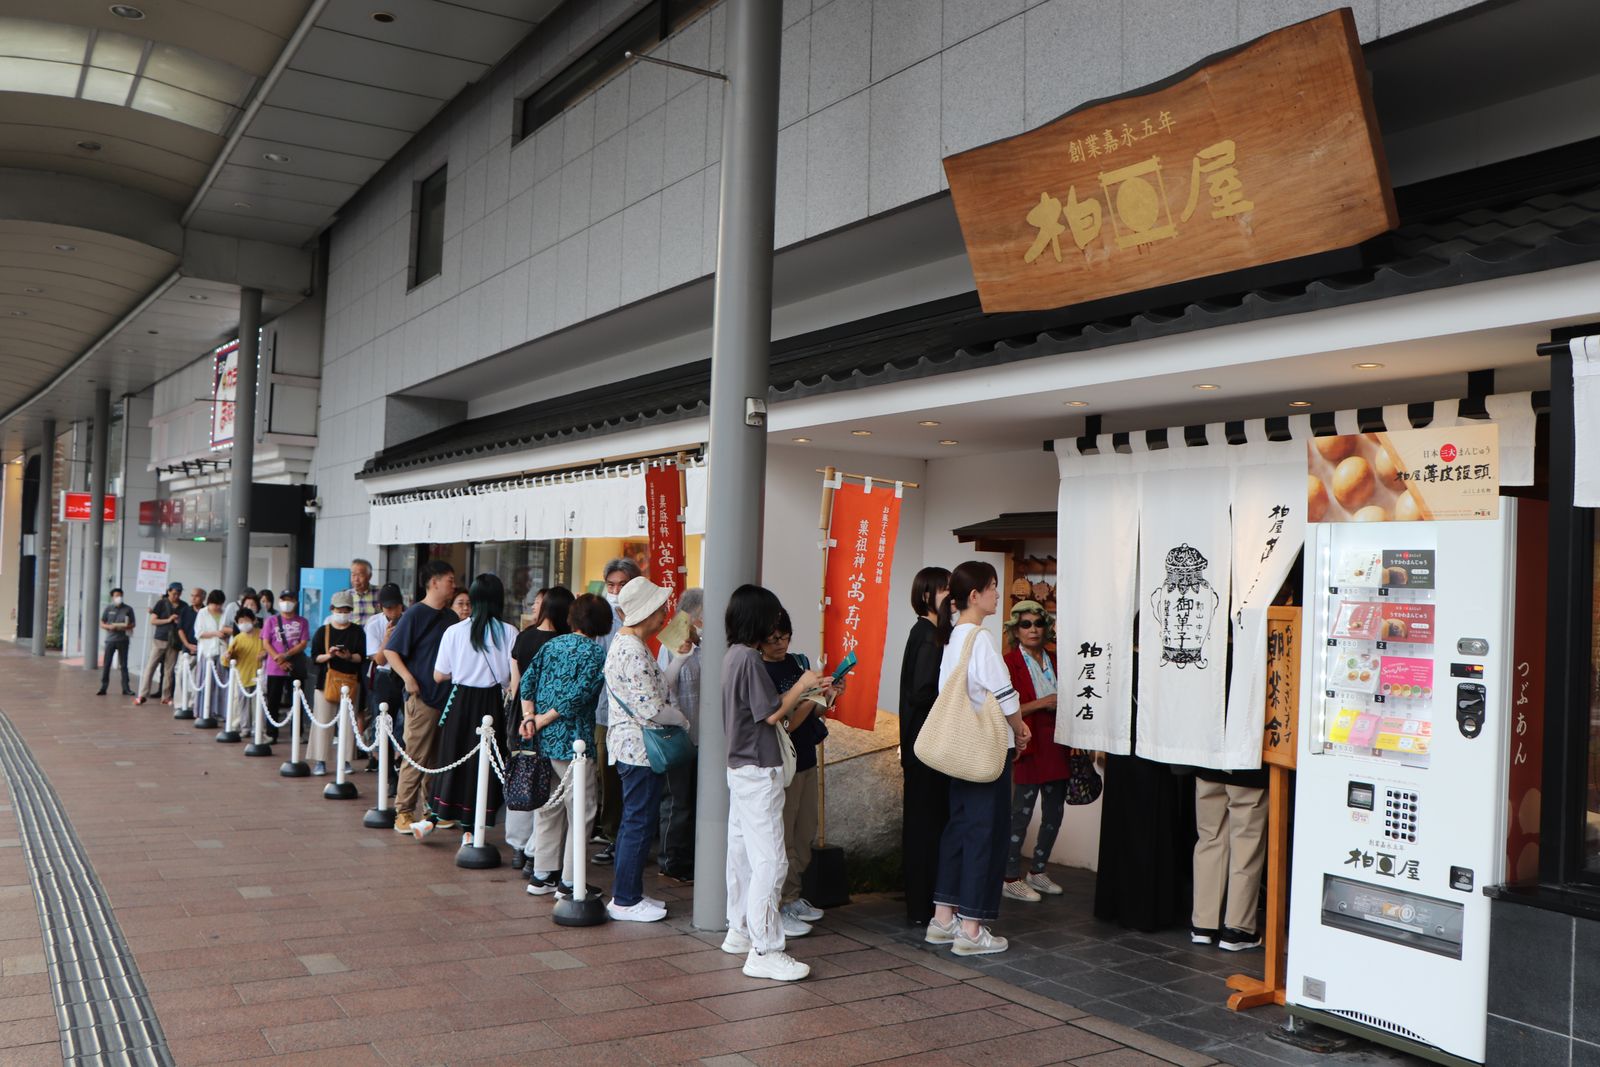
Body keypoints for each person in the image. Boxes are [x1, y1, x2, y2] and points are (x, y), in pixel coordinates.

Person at [720, 584, 832, 982]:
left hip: (740, 767)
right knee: (770, 859)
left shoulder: (733, 656)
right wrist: (804, 686)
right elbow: (772, 717)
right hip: (758, 767)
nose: (774, 626)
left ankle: (739, 930)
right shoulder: (749, 660)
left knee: (743, 853)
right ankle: (764, 949)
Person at [926, 561, 1028, 957]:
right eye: (993, 587)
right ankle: (971, 929)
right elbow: (1005, 695)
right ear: (974, 595)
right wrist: (1020, 729)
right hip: (986, 751)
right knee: (986, 832)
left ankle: (943, 917)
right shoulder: (980, 639)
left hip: (959, 750)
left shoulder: (953, 639)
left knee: (959, 829)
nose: (998, 594)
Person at [601, 576, 689, 921]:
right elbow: (653, 707)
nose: (666, 613)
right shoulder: (633, 650)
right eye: (661, 607)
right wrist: (682, 721)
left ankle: (630, 894)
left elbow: (653, 689)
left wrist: (680, 660)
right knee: (638, 822)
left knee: (636, 821)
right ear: (648, 613)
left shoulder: (630, 646)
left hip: (632, 748)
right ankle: (625, 898)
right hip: (639, 750)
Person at [518, 593, 612, 894]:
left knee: (548, 808)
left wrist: (530, 717)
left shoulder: (551, 644)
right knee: (581, 812)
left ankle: (542, 874)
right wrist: (543, 719)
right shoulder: (596, 654)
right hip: (575, 743)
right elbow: (577, 697)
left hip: (544, 742)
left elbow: (526, 682)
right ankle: (571, 881)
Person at [418, 573, 515, 839]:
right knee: (485, 762)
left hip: (459, 701)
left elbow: (440, 675)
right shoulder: (508, 632)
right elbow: (509, 678)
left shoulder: (455, 631)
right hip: (491, 704)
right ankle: (473, 828)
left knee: (451, 758)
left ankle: (435, 817)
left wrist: (463, 669)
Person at [758, 610, 836, 928]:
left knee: (804, 835)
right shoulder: (760, 670)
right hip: (784, 763)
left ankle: (793, 895)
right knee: (785, 838)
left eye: (785, 637)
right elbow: (784, 724)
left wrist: (827, 697)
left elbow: (811, 712)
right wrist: (807, 698)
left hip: (805, 758)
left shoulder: (795, 663)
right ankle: (782, 903)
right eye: (774, 638)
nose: (780, 644)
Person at [1001, 600, 1071, 903]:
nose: (1033, 629)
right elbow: (1005, 706)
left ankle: (1038, 870)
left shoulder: (1057, 659)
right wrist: (1043, 703)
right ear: (1016, 630)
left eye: (1038, 623)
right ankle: (1010, 876)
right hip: (1027, 741)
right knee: (1020, 814)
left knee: (1055, 812)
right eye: (1026, 624)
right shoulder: (1008, 662)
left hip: (1057, 740)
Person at [504, 585, 573, 866]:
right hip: (553, 720)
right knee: (552, 788)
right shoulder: (565, 642)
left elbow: (515, 683)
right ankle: (537, 853)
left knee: (523, 776)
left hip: (522, 715)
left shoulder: (524, 637)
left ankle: (518, 848)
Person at [387, 560, 457, 835]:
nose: (453, 584)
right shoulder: (415, 614)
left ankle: (432, 809)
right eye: (449, 579)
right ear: (434, 582)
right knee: (415, 755)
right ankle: (403, 811)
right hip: (422, 698)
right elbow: (392, 651)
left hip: (447, 698)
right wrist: (408, 678)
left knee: (438, 758)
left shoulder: (451, 618)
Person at [899, 566, 950, 926]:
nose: (952, 595)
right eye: (945, 589)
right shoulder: (929, 635)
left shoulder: (925, 632)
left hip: (920, 746)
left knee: (923, 825)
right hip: (926, 747)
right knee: (927, 827)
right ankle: (924, 906)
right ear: (926, 595)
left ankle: (922, 905)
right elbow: (921, 692)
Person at [591, 558, 640, 864]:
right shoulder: (601, 618)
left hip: (638, 713)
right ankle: (611, 832)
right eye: (611, 585)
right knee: (606, 774)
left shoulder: (644, 615)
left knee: (632, 778)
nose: (616, 590)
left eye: (622, 584)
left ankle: (630, 836)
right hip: (604, 710)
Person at [1190, 763, 1269, 951]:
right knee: (1246, 842)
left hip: (1210, 759)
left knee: (1210, 837)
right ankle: (1237, 928)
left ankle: (1203, 924)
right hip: (1248, 764)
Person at [657, 587, 703, 883]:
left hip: (702, 734)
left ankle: (689, 857)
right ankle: (671, 860)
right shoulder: (671, 642)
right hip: (676, 733)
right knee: (677, 801)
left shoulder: (708, 643)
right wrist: (681, 656)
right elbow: (663, 687)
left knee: (695, 800)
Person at [308, 591, 364, 776]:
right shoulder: (323, 631)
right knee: (323, 722)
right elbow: (315, 657)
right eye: (340, 609)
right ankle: (320, 760)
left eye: (347, 609)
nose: (343, 613)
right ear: (332, 609)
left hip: (350, 681)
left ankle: (346, 760)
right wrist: (330, 655)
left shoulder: (357, 631)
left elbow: (360, 657)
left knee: (348, 723)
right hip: (326, 682)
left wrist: (348, 656)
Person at [365, 583, 407, 764]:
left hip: (406, 675)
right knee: (384, 722)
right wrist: (387, 638)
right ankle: (387, 769)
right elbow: (379, 659)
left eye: (395, 607)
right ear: (381, 607)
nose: (392, 612)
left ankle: (401, 759)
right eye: (387, 608)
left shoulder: (409, 620)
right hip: (384, 676)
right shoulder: (374, 624)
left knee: (405, 723)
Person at [264, 593, 310, 741]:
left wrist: (286, 655)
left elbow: (303, 643)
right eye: (283, 599)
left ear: (296, 602)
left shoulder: (302, 621)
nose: (286, 603)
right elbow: (266, 642)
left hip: (295, 666)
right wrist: (279, 659)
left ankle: (297, 733)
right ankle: (271, 733)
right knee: (273, 701)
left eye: (290, 600)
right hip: (275, 667)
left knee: (297, 701)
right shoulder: (271, 621)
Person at [135, 582, 185, 705]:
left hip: (174, 641)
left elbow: (185, 623)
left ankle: (166, 696)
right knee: (151, 666)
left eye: (178, 593)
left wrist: (178, 621)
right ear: (169, 591)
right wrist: (168, 620)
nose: (176, 596)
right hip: (160, 639)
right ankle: (142, 694)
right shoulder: (161, 603)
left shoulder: (184, 606)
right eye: (174, 593)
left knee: (169, 669)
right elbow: (153, 620)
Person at [221, 608, 266, 736]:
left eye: (246, 620)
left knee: (260, 704)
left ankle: (259, 728)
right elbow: (226, 659)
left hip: (259, 676)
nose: (243, 623)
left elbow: (269, 649)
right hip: (243, 676)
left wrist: (265, 653)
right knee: (243, 703)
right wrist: (228, 656)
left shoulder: (262, 635)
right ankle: (245, 727)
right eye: (240, 621)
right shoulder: (238, 638)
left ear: (254, 620)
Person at [512, 586, 572, 681]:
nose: (533, 607)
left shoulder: (523, 637)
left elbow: (515, 680)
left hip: (523, 695)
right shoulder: (566, 643)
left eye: (537, 602)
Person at [193, 591, 231, 722]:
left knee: (222, 682)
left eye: (219, 604)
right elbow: (198, 633)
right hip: (207, 652)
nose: (217, 607)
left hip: (221, 651)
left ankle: (220, 711)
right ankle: (203, 710)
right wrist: (215, 633)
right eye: (215, 604)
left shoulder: (225, 612)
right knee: (205, 681)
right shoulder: (203, 613)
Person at [96, 588, 136, 696]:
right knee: (107, 664)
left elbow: (133, 624)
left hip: (123, 640)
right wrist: (109, 626)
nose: (118, 598)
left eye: (120, 595)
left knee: (123, 665)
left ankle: (126, 688)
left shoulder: (128, 609)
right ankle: (103, 687)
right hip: (110, 640)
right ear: (112, 597)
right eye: (116, 596)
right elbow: (102, 623)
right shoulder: (108, 608)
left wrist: (126, 626)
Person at [345, 558, 379, 624]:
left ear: (369, 576)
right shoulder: (346, 595)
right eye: (353, 575)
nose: (356, 579)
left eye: (360, 575)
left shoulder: (380, 593)